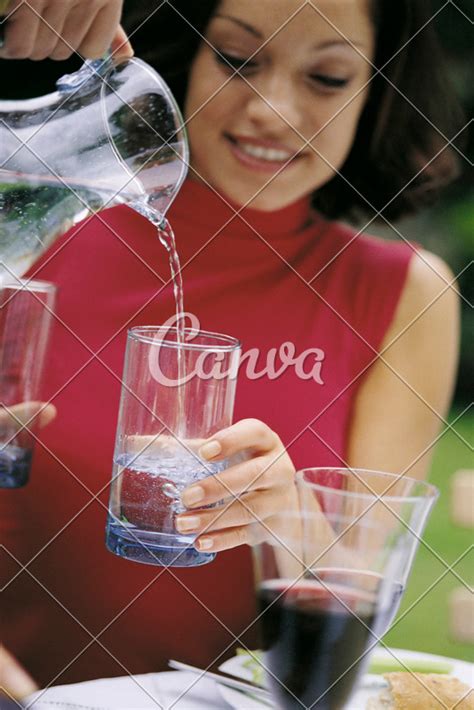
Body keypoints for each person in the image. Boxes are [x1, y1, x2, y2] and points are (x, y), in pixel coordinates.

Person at [0, 0, 462, 700]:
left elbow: (355, 599)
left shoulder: (405, 294)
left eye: (328, 78)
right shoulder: (43, 222)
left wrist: (293, 519)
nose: (272, 112)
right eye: (238, 60)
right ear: (186, 57)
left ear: (378, 92)